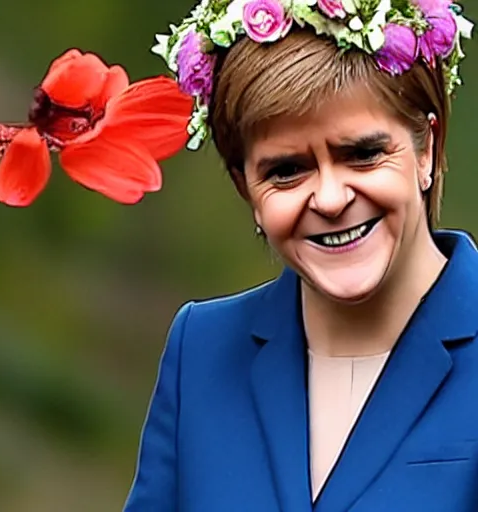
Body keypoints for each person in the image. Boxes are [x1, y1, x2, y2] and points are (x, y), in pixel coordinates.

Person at [123, 1, 477, 510]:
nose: (330, 199)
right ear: (246, 189)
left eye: (362, 153)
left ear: (426, 150)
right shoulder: (200, 350)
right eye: (286, 170)